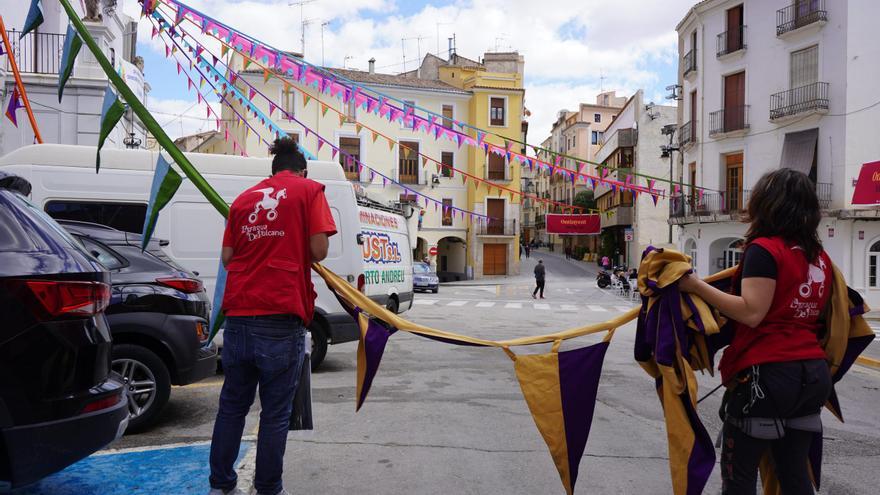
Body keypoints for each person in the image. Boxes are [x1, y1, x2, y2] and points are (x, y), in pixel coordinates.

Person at [678, 169, 832, 495]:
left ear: (767, 204)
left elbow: (751, 312)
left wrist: (694, 286)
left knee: (739, 477)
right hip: (812, 375)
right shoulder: (820, 258)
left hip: (767, 375)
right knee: (794, 475)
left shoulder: (765, 250)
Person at [209, 138, 337, 495]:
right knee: (275, 415)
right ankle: (268, 489)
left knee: (232, 408)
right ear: (302, 170)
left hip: (239, 317)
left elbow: (228, 258)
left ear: (273, 171)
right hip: (280, 317)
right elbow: (318, 250)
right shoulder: (310, 191)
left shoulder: (243, 200)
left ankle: (220, 486)